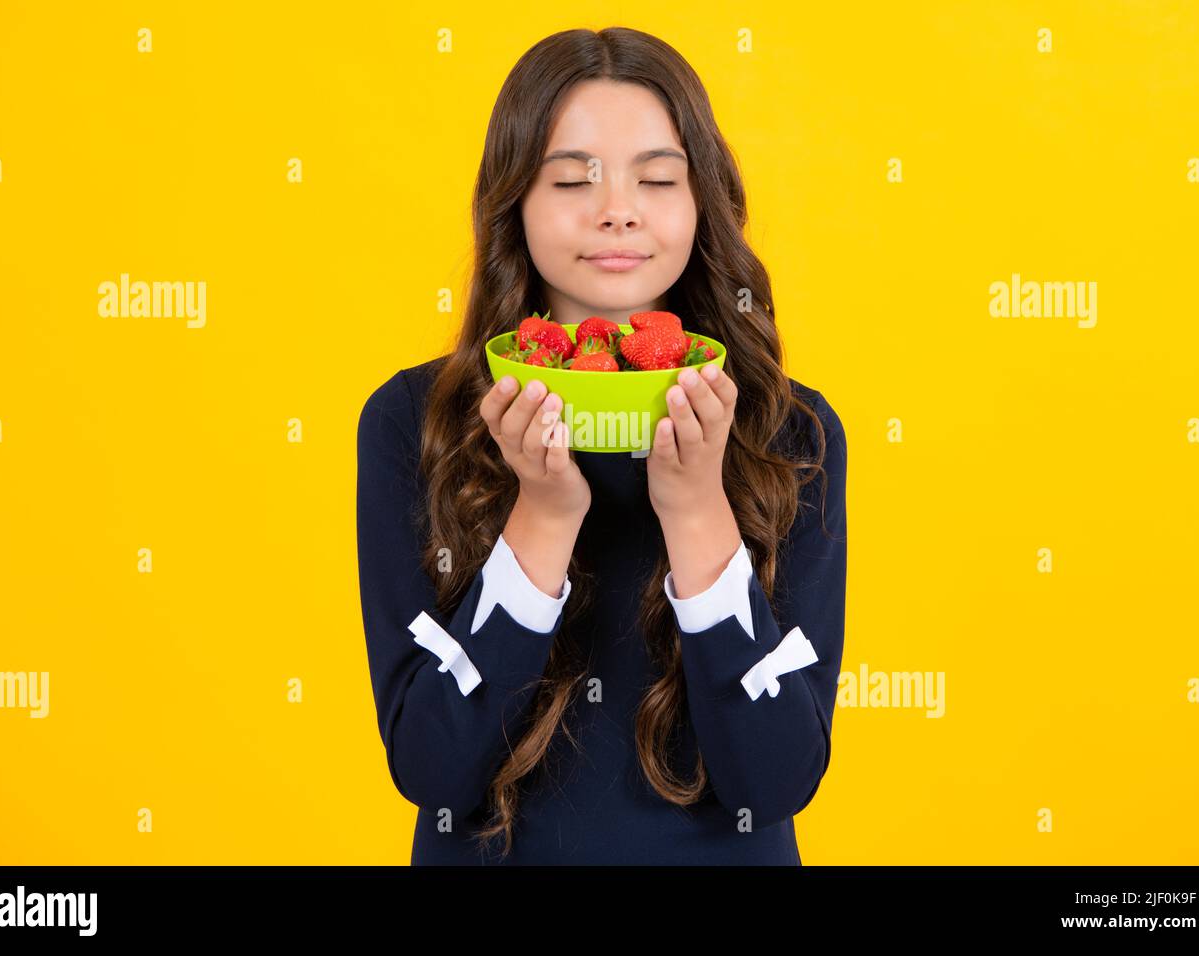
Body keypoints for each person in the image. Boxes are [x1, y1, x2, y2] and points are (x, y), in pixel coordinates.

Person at [356, 26, 847, 864]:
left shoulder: (788, 430)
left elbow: (774, 781)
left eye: (657, 178)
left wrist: (696, 511)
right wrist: (543, 517)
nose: (617, 207)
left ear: (702, 203)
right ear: (512, 202)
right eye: (571, 179)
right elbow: (434, 767)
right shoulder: (415, 419)